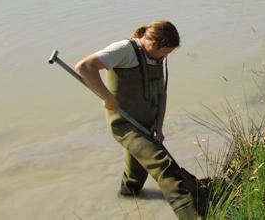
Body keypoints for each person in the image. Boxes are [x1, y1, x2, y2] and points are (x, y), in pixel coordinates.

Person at [75, 21, 202, 220]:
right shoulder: (125, 50)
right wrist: (107, 98)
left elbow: (162, 93)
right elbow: (84, 67)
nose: (166, 57)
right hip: (125, 125)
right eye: (166, 53)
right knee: (164, 166)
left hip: (146, 125)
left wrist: (158, 125)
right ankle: (196, 215)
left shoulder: (157, 58)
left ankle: (124, 205)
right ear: (153, 45)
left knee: (135, 178)